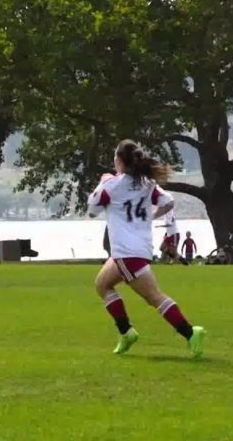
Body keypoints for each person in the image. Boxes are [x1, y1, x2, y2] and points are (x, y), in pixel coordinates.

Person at [87, 139, 206, 358]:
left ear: (119, 161)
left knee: (154, 297)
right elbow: (168, 202)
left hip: (126, 253)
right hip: (137, 250)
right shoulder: (146, 184)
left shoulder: (112, 185)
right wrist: (151, 215)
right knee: (102, 284)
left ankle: (190, 333)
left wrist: (102, 182)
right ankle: (126, 332)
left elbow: (92, 210)